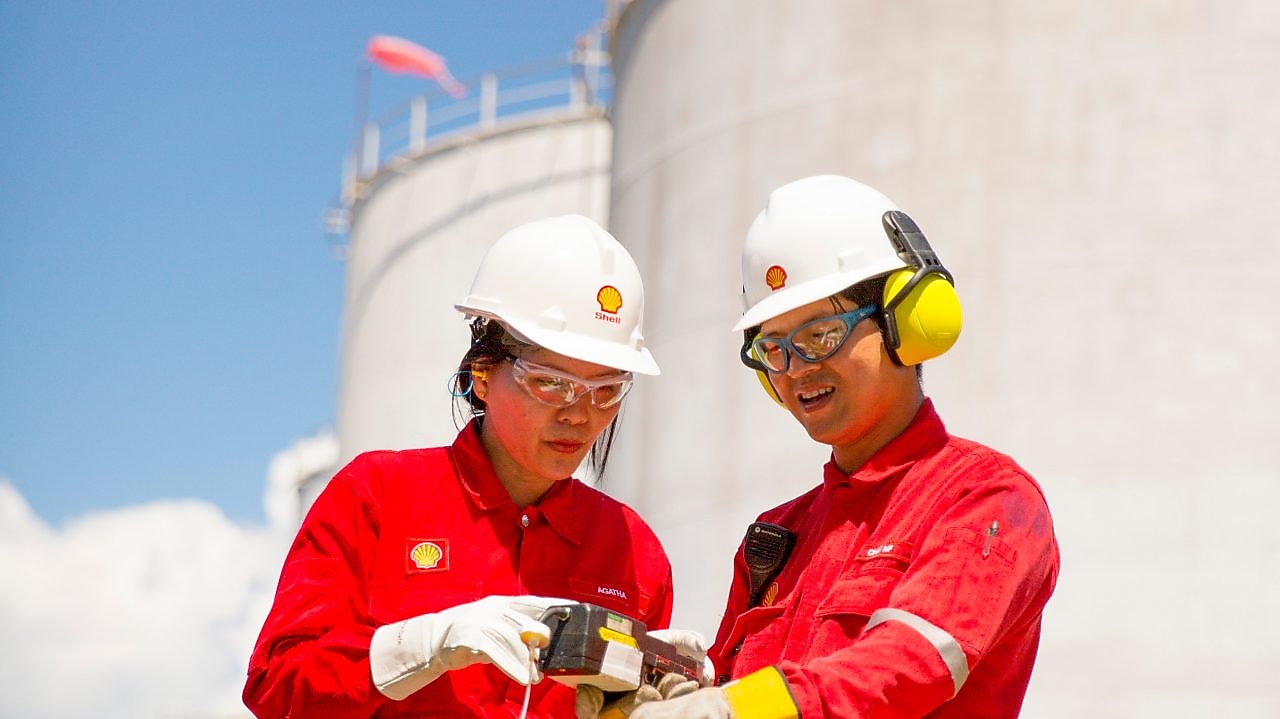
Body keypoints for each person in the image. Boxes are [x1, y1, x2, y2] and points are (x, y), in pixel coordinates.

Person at [627, 175, 1060, 718]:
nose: (798, 368)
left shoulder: (988, 500)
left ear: (905, 319)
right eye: (774, 348)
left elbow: (905, 667)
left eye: (819, 335)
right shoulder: (780, 533)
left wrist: (732, 710)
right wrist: (687, 690)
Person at [244, 215, 682, 719]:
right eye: (551, 383)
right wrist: (422, 646)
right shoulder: (378, 496)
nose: (579, 414)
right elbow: (277, 685)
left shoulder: (634, 552)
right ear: (482, 373)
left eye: (606, 391)